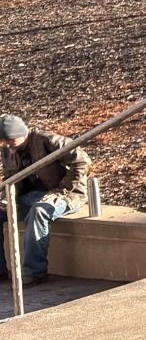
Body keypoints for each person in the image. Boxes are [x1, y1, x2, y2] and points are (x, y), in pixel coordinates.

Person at [0, 115, 89, 286]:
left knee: (40, 211)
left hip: (65, 195)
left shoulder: (47, 140)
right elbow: (10, 178)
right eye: (4, 141)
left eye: (11, 139)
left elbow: (82, 160)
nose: (8, 144)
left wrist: (64, 188)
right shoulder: (8, 151)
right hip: (28, 197)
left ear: (22, 133)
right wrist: (6, 199)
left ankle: (34, 272)